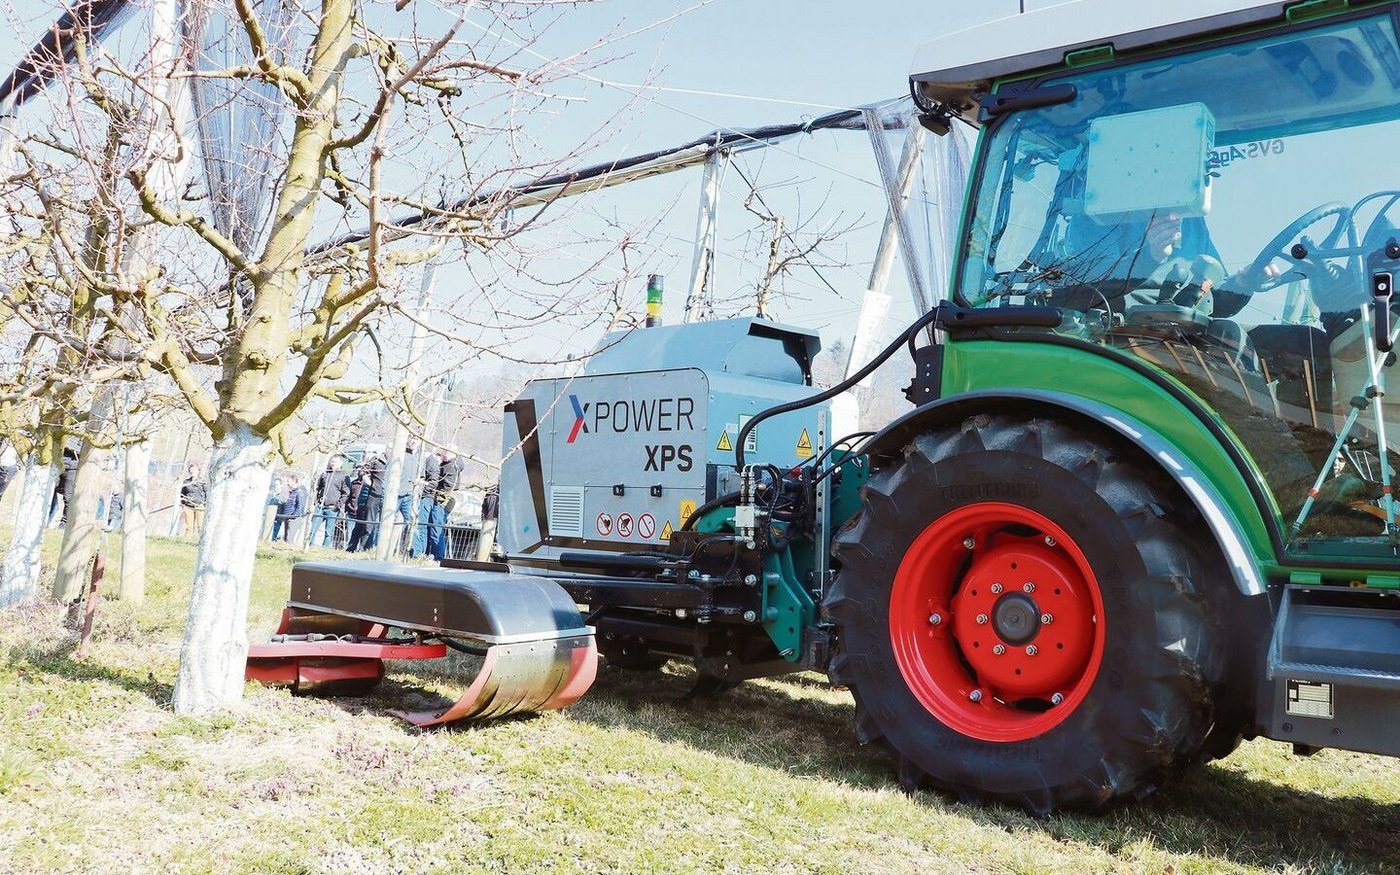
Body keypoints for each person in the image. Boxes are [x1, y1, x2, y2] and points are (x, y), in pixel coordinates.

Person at [309, 455, 350, 548]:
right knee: (313, 529)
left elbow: (346, 493)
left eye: (335, 462)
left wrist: (337, 506)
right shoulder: (325, 474)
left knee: (328, 532)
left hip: (332, 509)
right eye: (332, 461)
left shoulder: (344, 476)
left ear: (340, 463)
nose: (333, 464)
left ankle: (324, 549)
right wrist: (316, 501)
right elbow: (317, 487)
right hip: (320, 507)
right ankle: (310, 546)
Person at [272, 473, 308, 543]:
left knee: (289, 539)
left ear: (294, 481)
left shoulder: (300, 492)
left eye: (288, 481)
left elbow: (300, 506)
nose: (287, 483)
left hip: (294, 519)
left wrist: (293, 517)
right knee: (286, 538)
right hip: (288, 517)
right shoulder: (292, 492)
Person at [346, 468, 374, 553]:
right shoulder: (367, 481)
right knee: (361, 527)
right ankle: (356, 548)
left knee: (364, 528)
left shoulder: (369, 481)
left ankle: (360, 548)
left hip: (365, 505)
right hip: (364, 506)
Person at [179, 462, 207, 538]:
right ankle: (187, 539)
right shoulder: (186, 482)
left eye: (194, 470)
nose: (192, 472)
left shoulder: (202, 482)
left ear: (198, 471)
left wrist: (204, 504)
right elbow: (182, 494)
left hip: (199, 506)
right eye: (191, 470)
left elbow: (206, 493)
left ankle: (200, 539)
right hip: (188, 506)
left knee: (200, 525)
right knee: (189, 526)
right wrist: (183, 504)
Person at [475, 482, 499, 562]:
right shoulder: (500, 495)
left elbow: (483, 509)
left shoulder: (489, 494)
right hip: (494, 522)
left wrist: (483, 519)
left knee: (486, 544)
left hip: (488, 522)